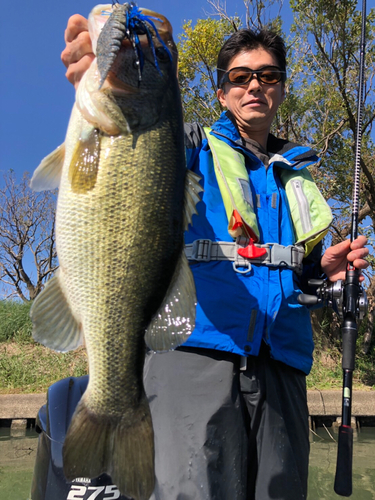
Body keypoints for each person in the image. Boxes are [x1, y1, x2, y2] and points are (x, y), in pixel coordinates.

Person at [61, 14, 369, 500]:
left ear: (282, 89)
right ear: (222, 92)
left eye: (268, 76)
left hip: (282, 365)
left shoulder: (296, 178)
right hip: (196, 351)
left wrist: (318, 271)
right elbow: (133, 147)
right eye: (240, 77)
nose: (255, 86)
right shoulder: (189, 146)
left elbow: (293, 280)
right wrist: (100, 74)